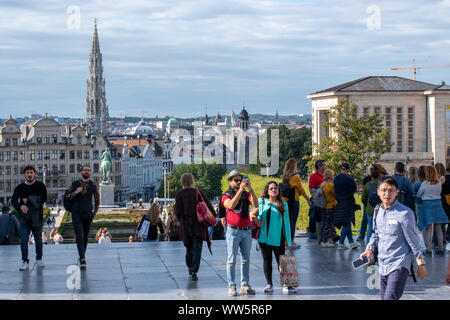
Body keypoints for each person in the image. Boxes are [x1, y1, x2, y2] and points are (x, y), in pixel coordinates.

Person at [360, 176, 427, 300]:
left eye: (391, 190)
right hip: (382, 264)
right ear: (378, 191)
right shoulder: (377, 211)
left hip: (399, 263)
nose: (387, 194)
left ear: (397, 192)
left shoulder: (405, 213)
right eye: (384, 190)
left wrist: (420, 264)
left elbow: (413, 240)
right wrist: (368, 249)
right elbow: (375, 234)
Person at [220, 169, 258, 296]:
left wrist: (250, 189)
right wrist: (241, 190)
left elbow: (256, 204)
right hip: (233, 231)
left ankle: (245, 284)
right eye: (236, 180)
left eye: (240, 180)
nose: (239, 182)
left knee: (246, 259)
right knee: (231, 259)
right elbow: (230, 205)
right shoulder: (226, 195)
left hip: (246, 230)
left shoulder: (246, 194)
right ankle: (231, 285)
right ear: (230, 182)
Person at [254, 181, 295, 294]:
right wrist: (256, 219)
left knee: (281, 261)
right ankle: (269, 284)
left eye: (276, 188)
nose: (274, 190)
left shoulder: (283, 204)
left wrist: (288, 239)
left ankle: (287, 284)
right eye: (271, 188)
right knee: (267, 261)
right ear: (267, 191)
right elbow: (257, 216)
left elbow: (286, 223)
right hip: (264, 238)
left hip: (278, 238)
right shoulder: (261, 201)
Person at [174, 173, 216, 281]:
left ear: (182, 181)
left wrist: (182, 219)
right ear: (192, 181)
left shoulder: (179, 194)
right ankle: (194, 270)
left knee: (189, 248)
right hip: (199, 224)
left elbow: (177, 211)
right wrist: (212, 215)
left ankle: (189, 266)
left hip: (186, 225)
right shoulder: (198, 192)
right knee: (197, 248)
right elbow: (208, 205)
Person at [11, 165, 47, 271]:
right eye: (27, 173)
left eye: (31, 172)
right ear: (24, 175)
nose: (29, 174)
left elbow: (44, 198)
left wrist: (29, 200)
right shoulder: (20, 187)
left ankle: (39, 258)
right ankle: (25, 261)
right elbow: (13, 200)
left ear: (34, 174)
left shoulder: (40, 186)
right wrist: (21, 206)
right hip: (24, 218)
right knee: (23, 240)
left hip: (37, 217)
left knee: (38, 239)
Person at [65, 164, 100, 270]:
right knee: (79, 236)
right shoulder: (75, 184)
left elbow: (97, 198)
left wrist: (95, 211)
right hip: (76, 212)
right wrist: (76, 192)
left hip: (87, 213)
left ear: (90, 172)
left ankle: (82, 256)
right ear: (81, 172)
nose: (87, 172)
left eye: (88, 170)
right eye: (85, 170)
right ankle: (83, 258)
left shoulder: (93, 185)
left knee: (85, 237)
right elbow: (67, 196)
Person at [416, 166, 449, 256]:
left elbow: (419, 194)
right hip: (437, 204)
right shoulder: (438, 183)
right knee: (438, 228)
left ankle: (429, 250)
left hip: (427, 205)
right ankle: (441, 249)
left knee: (429, 228)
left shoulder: (425, 183)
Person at [281, 158, 311, 249]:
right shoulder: (296, 177)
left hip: (285, 202)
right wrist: (308, 200)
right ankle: (291, 242)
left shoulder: (285, 177)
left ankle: (286, 241)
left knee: (287, 222)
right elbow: (301, 189)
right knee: (293, 222)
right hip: (294, 202)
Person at [334, 163, 360, 250]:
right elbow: (355, 190)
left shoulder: (336, 179)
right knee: (347, 222)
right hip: (348, 203)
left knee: (347, 223)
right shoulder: (350, 179)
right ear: (348, 170)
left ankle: (351, 242)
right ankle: (341, 242)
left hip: (338, 203)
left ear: (341, 169)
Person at [361, 164, 387, 243]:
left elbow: (363, 198)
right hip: (382, 209)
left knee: (370, 228)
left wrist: (367, 204)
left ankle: (369, 247)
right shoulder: (383, 184)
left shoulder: (368, 185)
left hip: (370, 209)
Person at [308, 160, 326, 239]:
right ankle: (312, 232)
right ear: (320, 167)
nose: (326, 167)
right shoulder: (314, 176)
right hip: (317, 200)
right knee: (314, 216)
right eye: (324, 165)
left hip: (325, 200)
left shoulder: (325, 176)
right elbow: (311, 189)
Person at [319, 169, 337, 247]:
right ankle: (325, 241)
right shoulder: (330, 185)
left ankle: (322, 239)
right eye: (333, 175)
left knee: (324, 223)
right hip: (330, 206)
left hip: (323, 206)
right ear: (330, 176)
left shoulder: (323, 184)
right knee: (327, 223)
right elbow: (335, 194)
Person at [357, 175, 373, 242]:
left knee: (365, 219)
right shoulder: (372, 185)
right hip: (371, 205)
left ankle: (361, 235)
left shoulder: (367, 186)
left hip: (366, 204)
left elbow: (363, 198)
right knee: (370, 222)